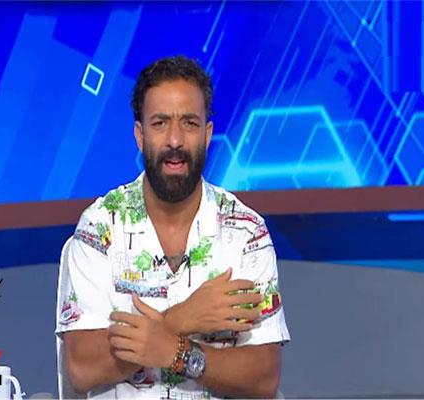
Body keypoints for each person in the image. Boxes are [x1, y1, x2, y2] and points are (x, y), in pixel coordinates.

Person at [55, 55, 290, 399]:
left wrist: (178, 352)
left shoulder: (245, 232)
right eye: (160, 123)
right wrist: (180, 319)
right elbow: (82, 369)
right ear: (140, 135)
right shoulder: (100, 226)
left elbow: (264, 377)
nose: (175, 140)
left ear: (207, 134)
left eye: (189, 123)